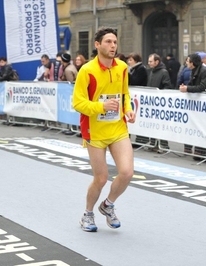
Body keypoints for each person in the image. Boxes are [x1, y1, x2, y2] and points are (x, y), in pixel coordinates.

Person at [72, 27, 136, 232]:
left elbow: (124, 94)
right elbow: (77, 103)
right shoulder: (87, 70)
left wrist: (129, 110)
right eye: (108, 42)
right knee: (101, 178)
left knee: (127, 172)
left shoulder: (123, 67)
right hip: (95, 131)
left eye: (115, 42)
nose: (113, 46)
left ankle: (108, 205)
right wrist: (101, 107)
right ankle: (87, 214)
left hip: (118, 129)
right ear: (97, 44)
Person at [179, 53, 206, 158]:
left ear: (192, 63)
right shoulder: (193, 70)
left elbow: (202, 87)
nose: (186, 63)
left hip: (204, 104)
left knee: (203, 127)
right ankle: (196, 150)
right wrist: (186, 86)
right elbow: (192, 83)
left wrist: (188, 89)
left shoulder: (203, 71)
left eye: (188, 61)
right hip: (196, 104)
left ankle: (203, 152)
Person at [147, 53, 171, 151]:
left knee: (161, 125)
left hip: (160, 103)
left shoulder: (163, 72)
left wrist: (160, 95)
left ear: (157, 62)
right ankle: (153, 143)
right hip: (152, 102)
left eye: (151, 61)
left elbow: (167, 86)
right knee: (152, 124)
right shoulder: (152, 71)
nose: (149, 63)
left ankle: (163, 145)